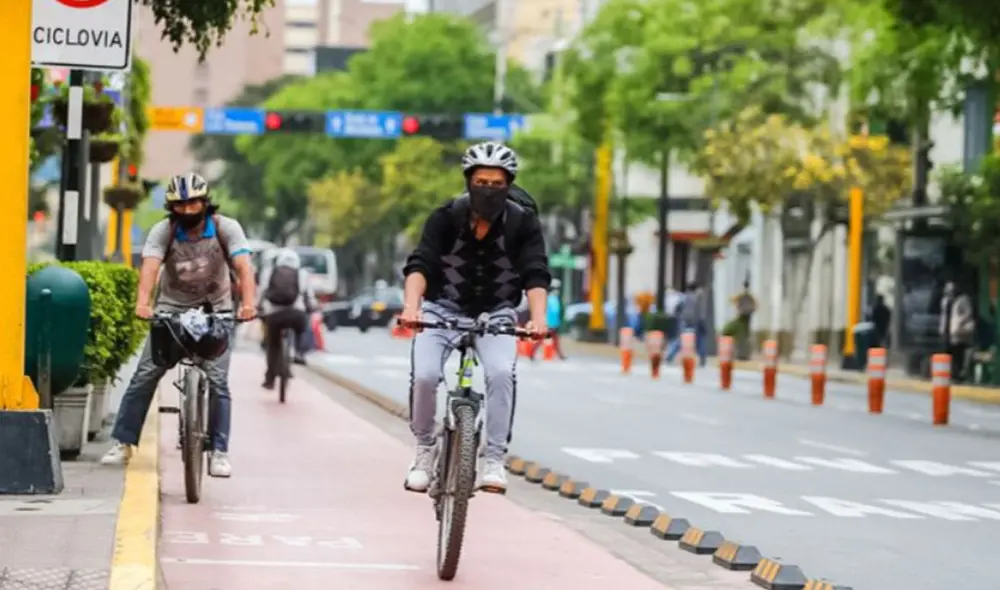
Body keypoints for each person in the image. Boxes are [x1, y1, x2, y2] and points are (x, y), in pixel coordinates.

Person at [399, 141, 550, 494]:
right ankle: (424, 449)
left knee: (501, 374)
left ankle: (494, 459)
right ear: (468, 181)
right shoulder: (446, 217)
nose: (488, 191)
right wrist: (412, 306)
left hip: (495, 312)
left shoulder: (522, 223)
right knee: (425, 375)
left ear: (509, 184)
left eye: (497, 184)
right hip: (441, 309)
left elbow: (535, 273)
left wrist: (538, 318)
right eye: (481, 182)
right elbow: (420, 264)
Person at [100, 173, 257, 477]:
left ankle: (219, 451)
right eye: (180, 204)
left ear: (205, 202)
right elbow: (150, 267)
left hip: (217, 312)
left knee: (219, 383)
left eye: (194, 202)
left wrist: (248, 304)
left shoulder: (227, 228)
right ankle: (123, 442)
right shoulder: (164, 231)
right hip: (171, 312)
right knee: (146, 374)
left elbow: (243, 267)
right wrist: (143, 303)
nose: (187, 209)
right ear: (171, 207)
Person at [258, 247, 317, 389]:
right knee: (303, 328)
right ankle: (299, 353)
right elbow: (309, 297)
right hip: (296, 314)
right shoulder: (302, 274)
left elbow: (262, 293)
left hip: (274, 315)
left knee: (273, 345)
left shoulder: (269, 272)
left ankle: (270, 379)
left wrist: (259, 309)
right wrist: (311, 308)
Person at [939, 281, 975, 382]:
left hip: (958, 331)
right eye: (948, 289)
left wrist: (959, 321)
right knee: (947, 354)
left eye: (951, 289)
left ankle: (958, 375)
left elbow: (968, 313)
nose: (949, 291)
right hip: (947, 331)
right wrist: (941, 328)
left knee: (958, 354)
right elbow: (943, 315)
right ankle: (949, 374)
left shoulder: (963, 299)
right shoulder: (945, 301)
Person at [666, 282, 708, 366]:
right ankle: (703, 359)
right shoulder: (698, 297)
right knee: (699, 340)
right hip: (696, 322)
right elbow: (701, 312)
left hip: (684, 321)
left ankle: (670, 355)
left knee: (680, 340)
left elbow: (677, 309)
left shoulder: (683, 297)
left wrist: (678, 317)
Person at [530, 279, 566, 360]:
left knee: (554, 340)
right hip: (549, 323)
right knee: (542, 339)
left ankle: (560, 355)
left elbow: (556, 312)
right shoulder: (549, 299)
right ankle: (532, 354)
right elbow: (549, 312)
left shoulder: (554, 299)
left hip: (553, 323)